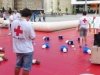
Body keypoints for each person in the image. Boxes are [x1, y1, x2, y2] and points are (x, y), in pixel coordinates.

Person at [11, 8, 36, 75]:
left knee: (17, 65)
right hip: (27, 49)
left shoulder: (13, 23)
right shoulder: (28, 25)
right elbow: (33, 37)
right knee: (26, 67)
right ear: (28, 16)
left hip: (17, 49)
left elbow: (13, 33)